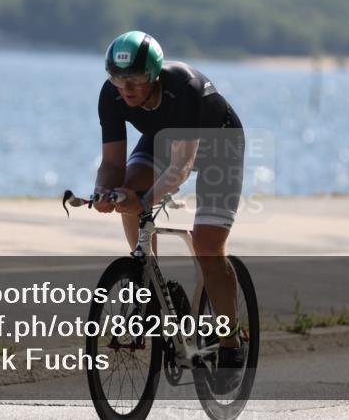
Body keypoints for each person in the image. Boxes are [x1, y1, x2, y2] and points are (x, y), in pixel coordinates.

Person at [92, 30, 246, 391]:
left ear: (155, 75)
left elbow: (181, 165)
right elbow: (112, 163)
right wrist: (103, 191)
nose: (125, 88)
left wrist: (142, 201)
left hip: (218, 146)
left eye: (135, 80)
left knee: (208, 247)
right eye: (118, 79)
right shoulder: (111, 95)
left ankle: (230, 342)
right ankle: (149, 282)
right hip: (162, 138)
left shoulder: (185, 87)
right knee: (124, 191)